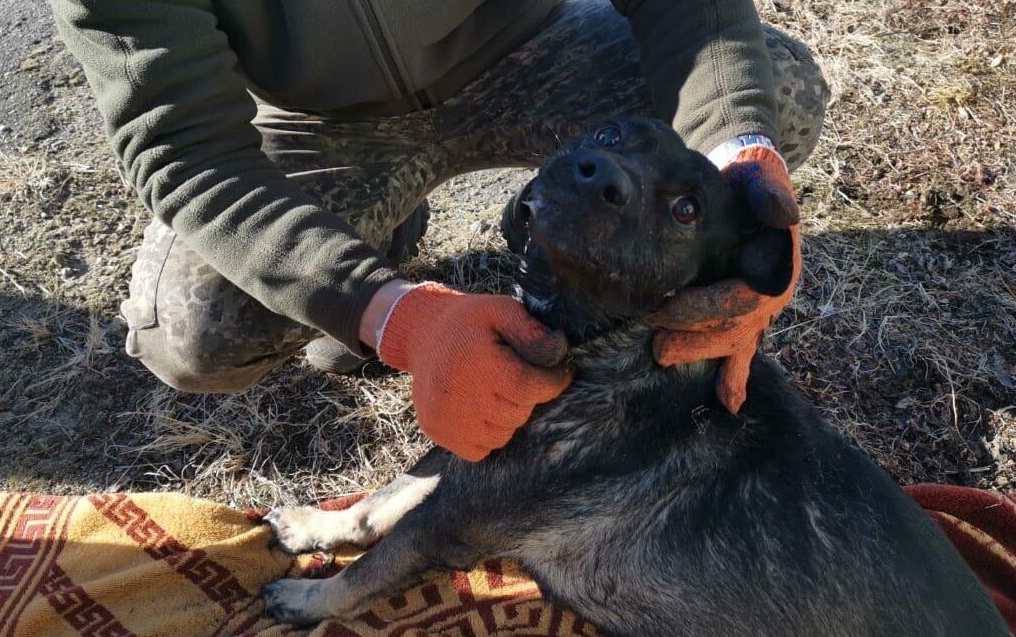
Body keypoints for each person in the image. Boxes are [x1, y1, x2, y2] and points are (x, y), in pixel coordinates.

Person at [51, 0, 829, 461]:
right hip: (319, 120)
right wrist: (392, 315)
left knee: (777, 94)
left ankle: (559, 224)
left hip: (532, 43)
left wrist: (739, 155)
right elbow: (185, 152)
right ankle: (376, 237)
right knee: (196, 332)